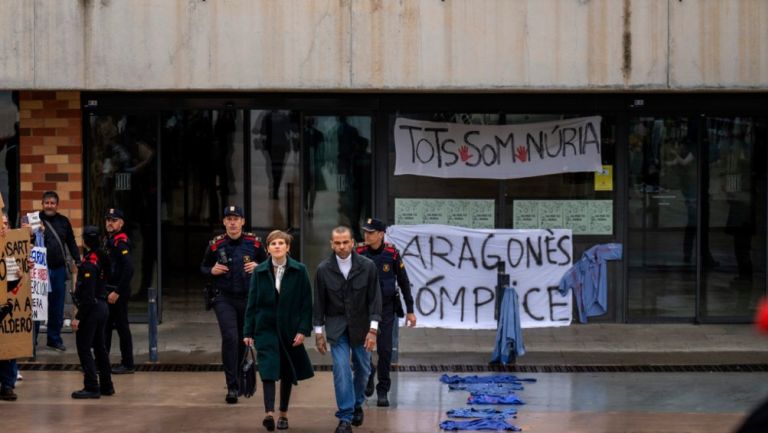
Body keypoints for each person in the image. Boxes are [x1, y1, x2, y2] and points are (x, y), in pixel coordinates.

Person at [243, 230, 314, 431]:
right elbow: (252, 303)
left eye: (281, 243)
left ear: (288, 247)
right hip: (265, 329)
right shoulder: (259, 272)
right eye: (273, 244)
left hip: (289, 330)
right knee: (267, 370)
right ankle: (269, 414)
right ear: (267, 249)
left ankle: (283, 413)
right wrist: (248, 332)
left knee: (285, 372)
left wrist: (303, 329)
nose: (277, 246)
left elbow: (306, 303)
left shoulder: (299, 270)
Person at [313, 226, 381, 433]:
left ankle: (356, 402)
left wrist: (373, 330)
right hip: (336, 327)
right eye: (337, 243)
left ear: (353, 242)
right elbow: (319, 303)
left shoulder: (368, 266)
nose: (341, 247)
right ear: (331, 244)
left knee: (363, 369)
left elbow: (375, 300)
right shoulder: (323, 269)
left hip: (361, 327)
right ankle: (344, 418)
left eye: (345, 242)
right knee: (341, 369)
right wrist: (318, 333)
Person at [201, 205, 267, 404]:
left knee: (242, 339)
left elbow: (269, 266)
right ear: (224, 222)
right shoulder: (215, 244)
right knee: (230, 337)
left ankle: (239, 377)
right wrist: (211, 271)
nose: (232, 222)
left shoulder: (254, 244)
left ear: (242, 221)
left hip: (248, 298)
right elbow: (203, 267)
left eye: (236, 218)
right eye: (228, 218)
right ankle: (231, 386)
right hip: (224, 298)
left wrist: (258, 267)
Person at [357, 217, 416, 407]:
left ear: (381, 235)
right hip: (363, 308)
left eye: (371, 232)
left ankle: (383, 389)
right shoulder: (358, 252)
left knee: (384, 350)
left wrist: (410, 310)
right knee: (362, 348)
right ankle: (368, 375)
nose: (367, 235)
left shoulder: (391, 254)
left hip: (386, 308)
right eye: (365, 232)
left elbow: (404, 282)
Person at [70, 225, 114, 399]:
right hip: (102, 306)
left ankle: (91, 386)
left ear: (85, 241)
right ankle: (107, 385)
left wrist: (78, 318)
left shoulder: (90, 263)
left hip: (92, 308)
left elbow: (88, 296)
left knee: (84, 348)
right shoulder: (102, 257)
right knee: (101, 348)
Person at [36, 191, 80, 352]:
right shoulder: (34, 220)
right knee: (37, 305)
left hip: (59, 269)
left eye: (52, 203)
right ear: (42, 204)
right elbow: (26, 240)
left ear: (57, 205)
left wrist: (78, 259)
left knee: (57, 306)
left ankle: (54, 339)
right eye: (46, 202)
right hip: (39, 271)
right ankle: (32, 341)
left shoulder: (63, 221)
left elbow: (71, 242)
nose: (49, 205)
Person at [104, 208, 135, 374]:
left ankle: (128, 363)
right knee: (106, 327)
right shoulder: (109, 240)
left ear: (121, 223)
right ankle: (103, 361)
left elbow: (129, 268)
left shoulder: (121, 242)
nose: (110, 223)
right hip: (109, 290)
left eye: (114, 220)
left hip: (117, 292)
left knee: (122, 327)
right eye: (108, 219)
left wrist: (117, 291)